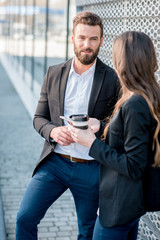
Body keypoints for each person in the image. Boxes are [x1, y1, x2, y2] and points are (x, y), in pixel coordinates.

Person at [16, 11, 119, 240]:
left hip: (92, 168)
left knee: (87, 232)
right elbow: (39, 118)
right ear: (72, 38)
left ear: (102, 41)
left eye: (93, 39)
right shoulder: (53, 73)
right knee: (24, 218)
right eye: (82, 38)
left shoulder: (112, 79)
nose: (87, 45)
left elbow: (118, 128)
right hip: (55, 163)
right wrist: (53, 131)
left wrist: (99, 126)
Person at [70, 31, 160, 240]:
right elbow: (132, 141)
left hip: (119, 208)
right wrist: (101, 127)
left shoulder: (136, 103)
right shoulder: (146, 97)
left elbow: (133, 165)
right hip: (129, 205)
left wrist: (91, 144)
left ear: (125, 62)